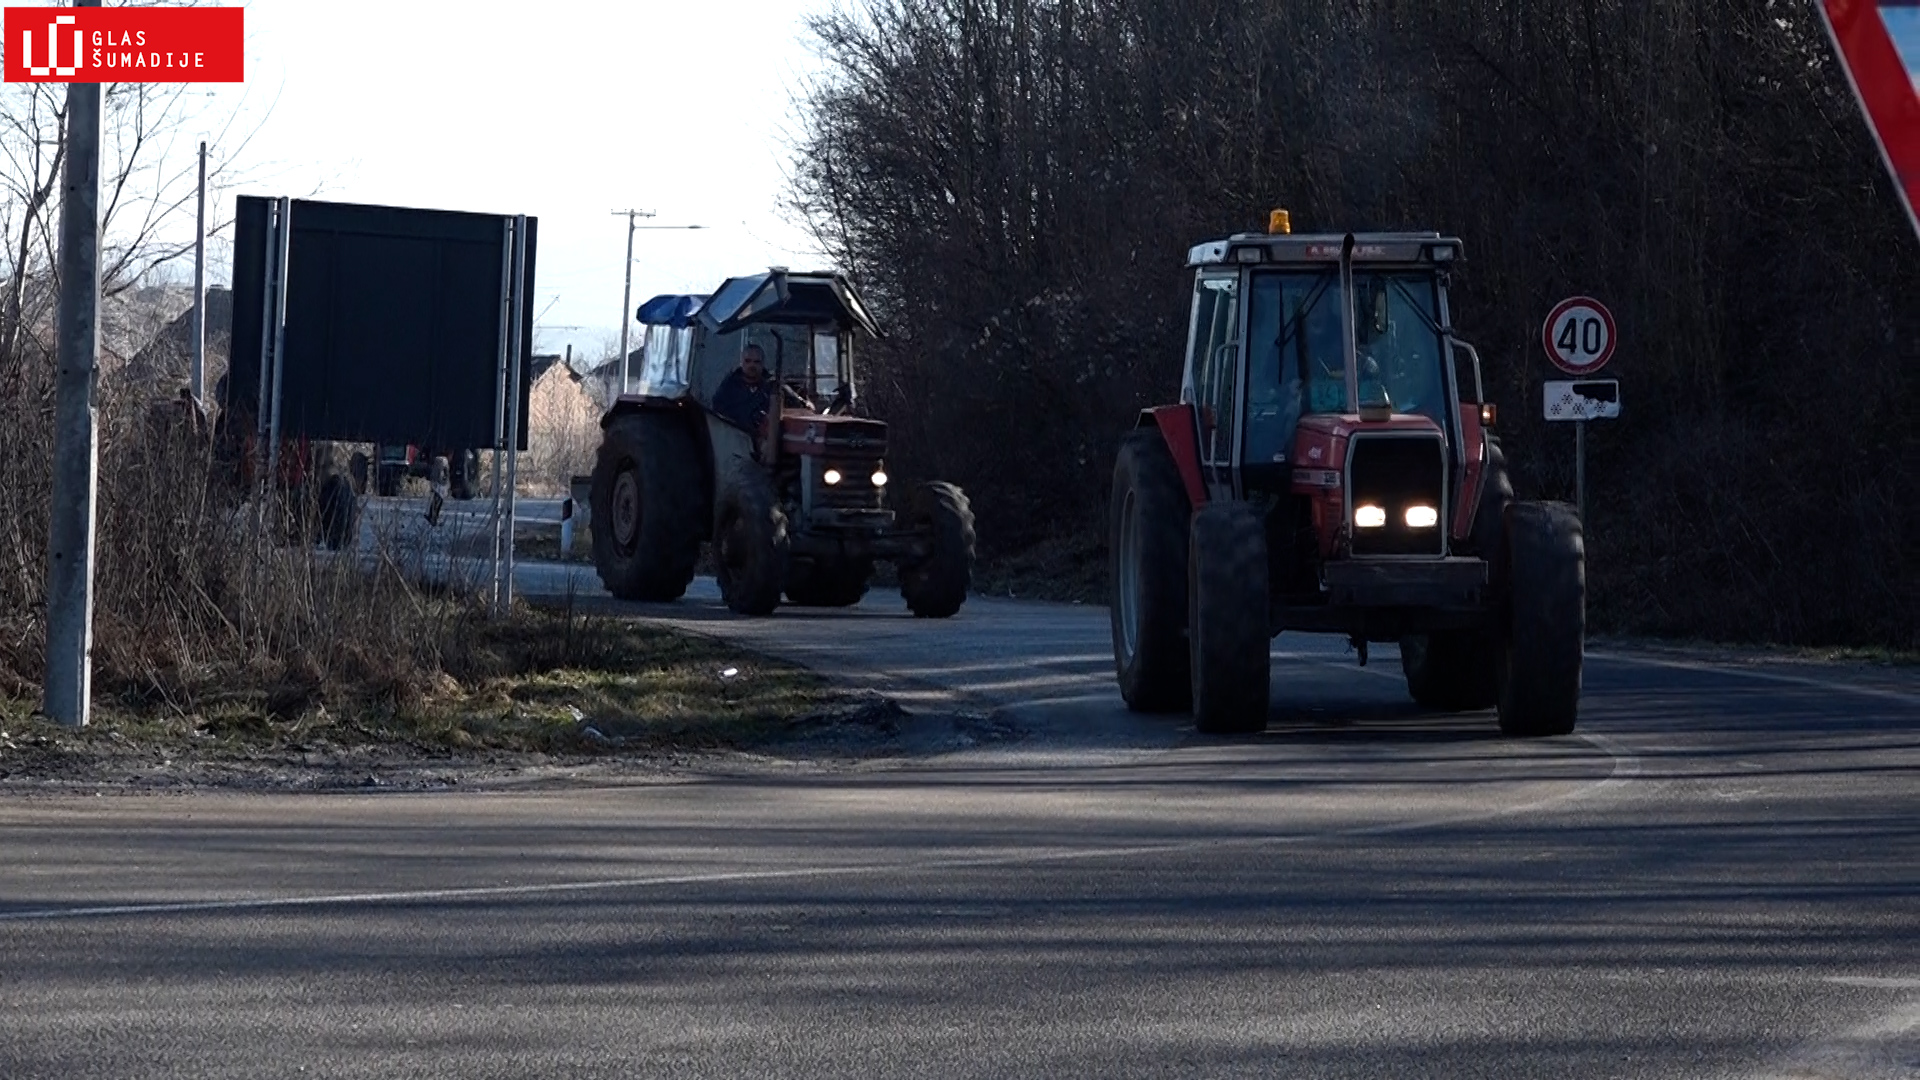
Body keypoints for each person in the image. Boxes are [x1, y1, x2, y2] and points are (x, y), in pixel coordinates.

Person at [712, 344, 775, 431]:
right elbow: (718, 414)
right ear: (741, 362)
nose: (752, 365)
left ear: (763, 363)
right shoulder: (728, 387)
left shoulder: (773, 387)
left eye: (756, 362)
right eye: (748, 361)